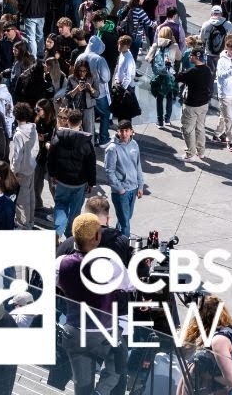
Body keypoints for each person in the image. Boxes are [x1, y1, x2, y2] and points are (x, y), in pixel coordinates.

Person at [55, 214, 122, 395]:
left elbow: (54, 282)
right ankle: (100, 393)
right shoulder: (109, 264)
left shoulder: (61, 263)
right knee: (117, 366)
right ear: (97, 237)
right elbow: (129, 285)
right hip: (104, 332)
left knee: (82, 386)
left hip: (75, 331)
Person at [49, 108, 98, 237]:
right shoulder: (86, 142)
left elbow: (51, 158)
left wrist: (52, 174)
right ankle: (70, 235)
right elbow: (91, 164)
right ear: (80, 122)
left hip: (62, 181)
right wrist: (91, 182)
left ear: (68, 121)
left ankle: (57, 233)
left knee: (60, 206)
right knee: (75, 211)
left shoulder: (58, 138)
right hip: (79, 183)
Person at [104, 120, 144, 237]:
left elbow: (138, 166)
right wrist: (120, 189)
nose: (124, 134)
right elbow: (109, 172)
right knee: (125, 223)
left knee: (126, 218)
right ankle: (125, 244)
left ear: (131, 132)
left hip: (133, 189)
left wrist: (140, 185)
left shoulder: (134, 144)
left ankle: (117, 240)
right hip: (121, 192)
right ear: (118, 131)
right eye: (121, 131)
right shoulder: (112, 148)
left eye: (127, 131)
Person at [177, 46, 214, 162]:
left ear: (196, 57)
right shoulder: (207, 69)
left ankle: (190, 154)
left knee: (187, 129)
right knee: (200, 128)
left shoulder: (192, 71)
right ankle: (201, 152)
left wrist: (169, 65)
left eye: (191, 55)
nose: (189, 56)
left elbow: (177, 77)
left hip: (191, 106)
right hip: (204, 104)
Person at [8, 102, 40, 229]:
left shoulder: (18, 135)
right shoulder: (33, 129)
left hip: (21, 171)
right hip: (31, 167)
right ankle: (30, 221)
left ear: (15, 116)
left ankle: (23, 225)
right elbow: (36, 148)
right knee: (31, 195)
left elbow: (17, 156)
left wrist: (14, 170)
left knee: (21, 200)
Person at [146, 26, 182, 127]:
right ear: (171, 35)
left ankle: (160, 121)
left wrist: (154, 61)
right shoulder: (174, 46)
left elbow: (147, 58)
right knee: (169, 97)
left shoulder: (156, 45)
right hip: (170, 76)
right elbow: (179, 57)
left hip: (158, 76)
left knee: (159, 99)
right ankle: (167, 119)